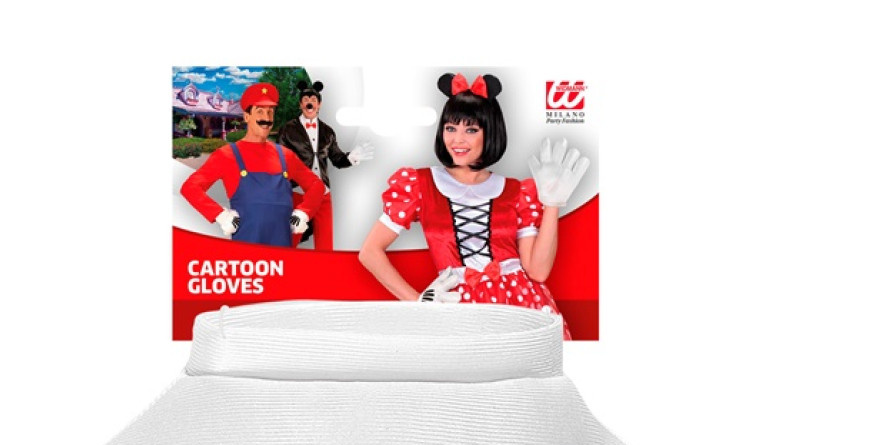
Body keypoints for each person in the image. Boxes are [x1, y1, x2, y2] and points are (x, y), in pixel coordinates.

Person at [357, 73, 589, 337]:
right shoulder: (419, 185)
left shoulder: (517, 192)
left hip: (521, 304)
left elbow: (537, 271)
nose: (457, 140)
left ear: (490, 132)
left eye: (471, 130)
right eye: (450, 128)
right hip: (458, 308)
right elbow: (370, 252)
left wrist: (552, 203)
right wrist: (418, 302)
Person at [180, 82, 325, 247]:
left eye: (271, 112)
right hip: (247, 251)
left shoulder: (286, 156)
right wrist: (220, 215)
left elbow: (316, 185)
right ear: (246, 116)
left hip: (283, 249)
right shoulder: (226, 155)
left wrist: (304, 212)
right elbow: (190, 188)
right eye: (260, 111)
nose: (267, 118)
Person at [277, 79, 374, 249]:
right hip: (299, 192)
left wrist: (351, 157)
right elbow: (280, 160)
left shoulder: (328, 132)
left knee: (325, 242)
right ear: (300, 104)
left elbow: (337, 159)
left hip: (323, 192)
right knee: (290, 238)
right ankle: (284, 263)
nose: (309, 103)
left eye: (313, 100)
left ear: (319, 105)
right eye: (306, 100)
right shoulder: (288, 130)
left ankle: (325, 266)